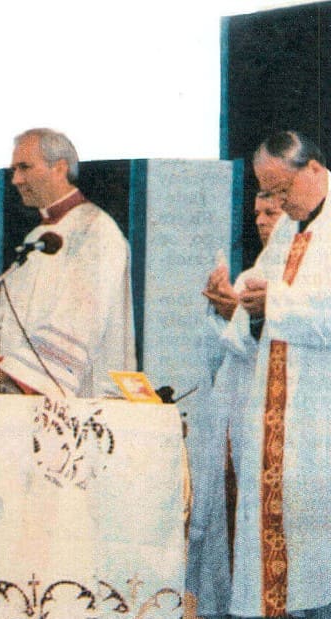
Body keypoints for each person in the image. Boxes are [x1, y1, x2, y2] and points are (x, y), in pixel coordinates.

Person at [223, 130, 331, 619]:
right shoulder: (287, 230)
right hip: (276, 416)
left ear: (314, 169)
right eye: (268, 192)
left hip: (318, 417)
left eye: (282, 189)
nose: (279, 203)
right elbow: (259, 291)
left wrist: (276, 303)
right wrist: (239, 304)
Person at [0, 128, 135, 397]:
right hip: (20, 393)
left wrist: (7, 372)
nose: (16, 179)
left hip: (78, 396)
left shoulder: (95, 231)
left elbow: (78, 321)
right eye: (14, 170)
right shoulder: (37, 237)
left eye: (24, 168)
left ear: (59, 168)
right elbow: (3, 314)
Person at [186, 193, 283, 617]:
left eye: (271, 212)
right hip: (232, 422)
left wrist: (240, 319)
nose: (260, 221)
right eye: (257, 213)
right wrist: (222, 312)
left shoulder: (310, 279)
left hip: (274, 428)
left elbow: (280, 356)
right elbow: (220, 357)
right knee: (226, 527)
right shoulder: (250, 277)